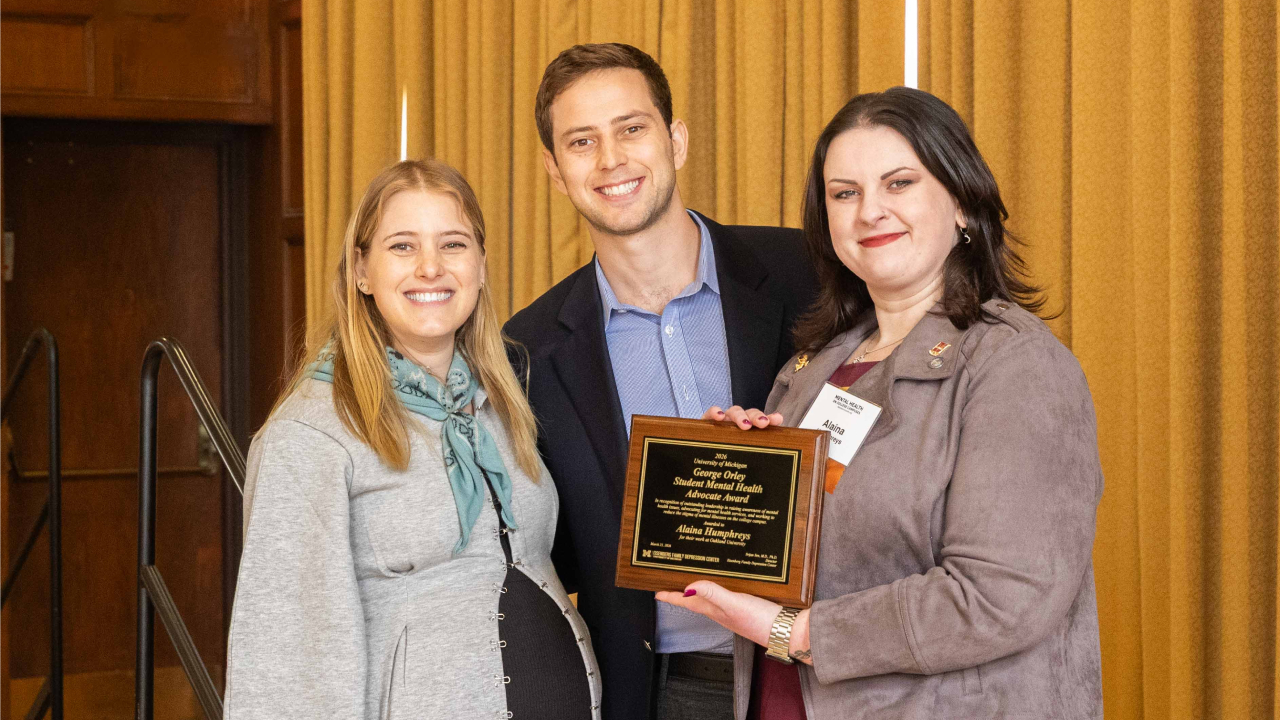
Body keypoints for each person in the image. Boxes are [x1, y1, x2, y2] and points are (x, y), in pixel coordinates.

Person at [657, 87, 1104, 719]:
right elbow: (808, 555)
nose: (870, 211)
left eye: (899, 183)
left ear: (962, 202)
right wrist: (736, 476)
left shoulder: (1015, 365)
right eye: (845, 193)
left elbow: (1001, 596)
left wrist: (799, 633)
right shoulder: (812, 368)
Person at [503, 44, 817, 720]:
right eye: (582, 141)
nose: (610, 159)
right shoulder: (525, 353)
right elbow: (545, 550)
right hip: (665, 690)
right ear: (555, 171)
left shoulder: (809, 273)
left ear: (675, 140)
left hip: (821, 672)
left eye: (631, 128)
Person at [224, 159, 601, 719]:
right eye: (402, 246)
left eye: (453, 244)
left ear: (480, 265)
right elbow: (285, 661)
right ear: (361, 270)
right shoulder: (309, 435)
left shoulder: (504, 401)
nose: (430, 267)